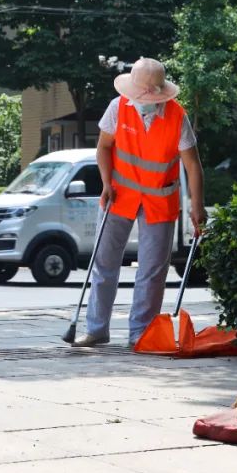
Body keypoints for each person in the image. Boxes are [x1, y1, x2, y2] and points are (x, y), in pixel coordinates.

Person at [69, 57, 206, 348]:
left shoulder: (177, 117)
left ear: (160, 94)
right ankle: (97, 329)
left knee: (152, 270)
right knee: (104, 263)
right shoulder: (118, 108)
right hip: (120, 195)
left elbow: (193, 165)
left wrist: (197, 205)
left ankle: (140, 334)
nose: (142, 100)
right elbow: (104, 147)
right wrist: (106, 183)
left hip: (159, 199)